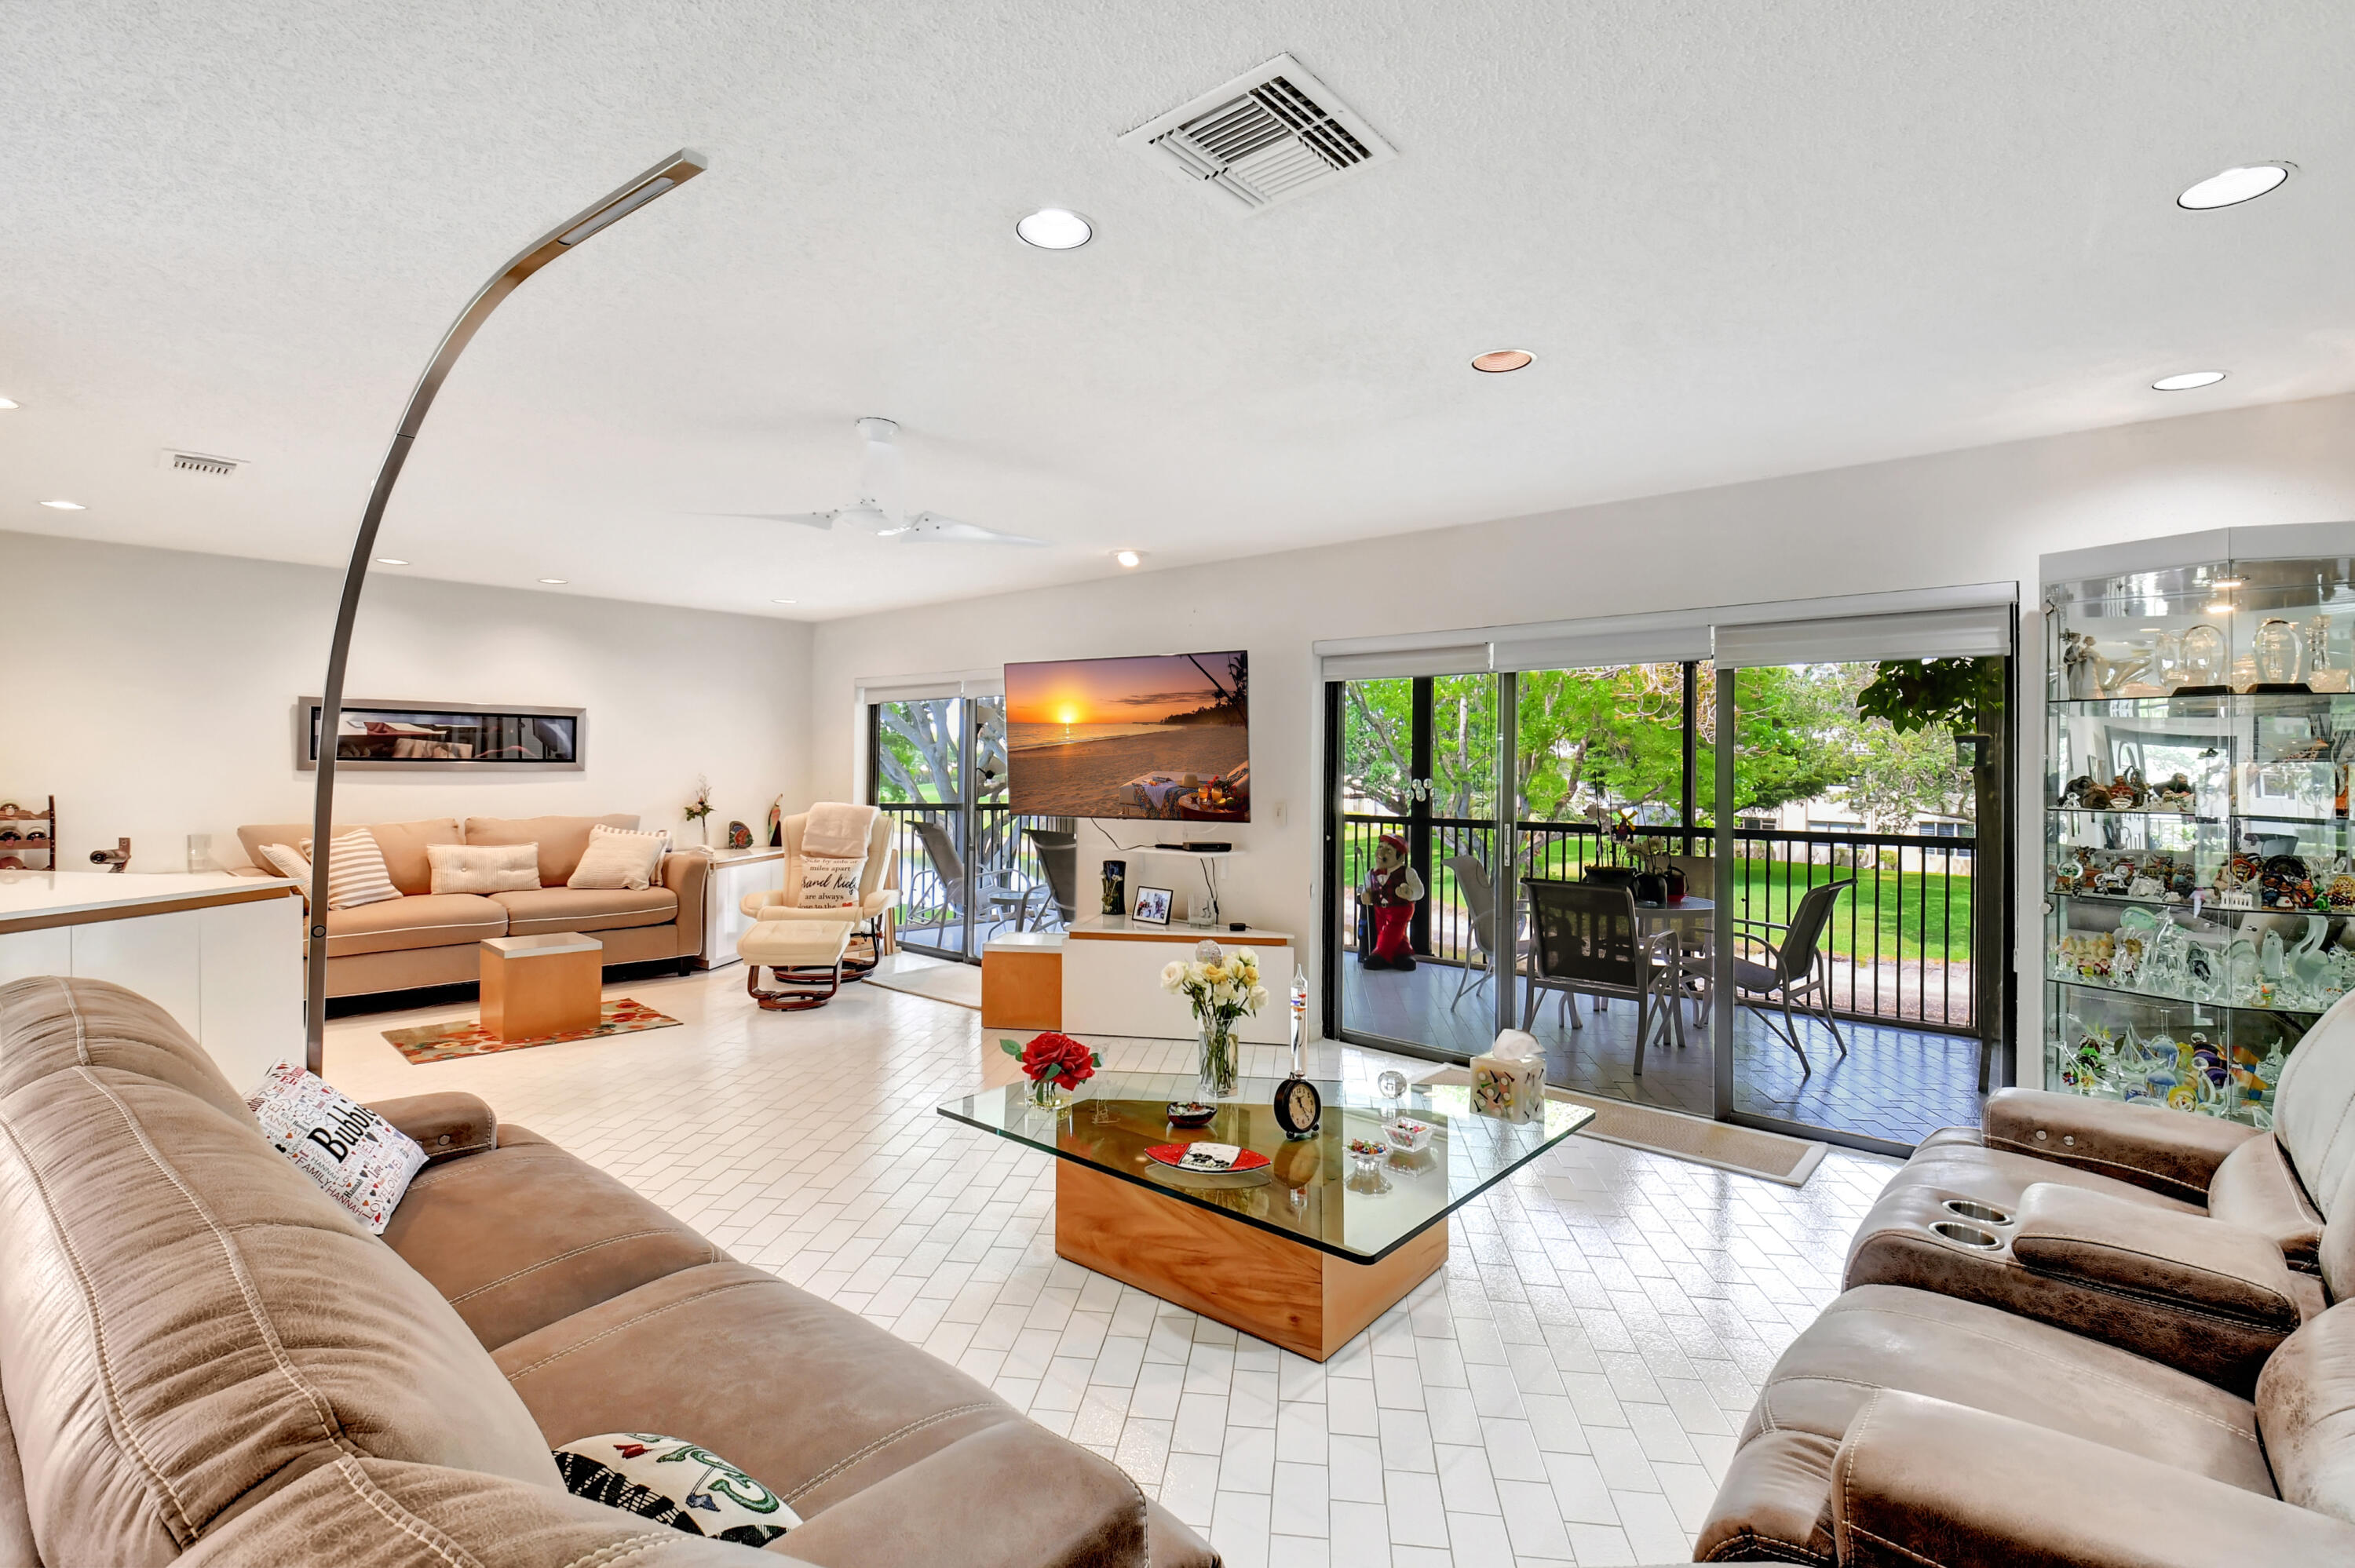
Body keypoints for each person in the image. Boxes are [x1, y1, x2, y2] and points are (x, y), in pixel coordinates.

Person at [1360, 833, 1425, 970]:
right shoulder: (1371, 874)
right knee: (1388, 932)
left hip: (1400, 909)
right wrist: (1366, 896)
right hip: (1380, 909)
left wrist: (1409, 893)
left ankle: (1380, 955)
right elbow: (1367, 890)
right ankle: (1402, 954)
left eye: (1388, 850)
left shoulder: (1407, 872)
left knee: (1390, 931)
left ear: (1400, 857)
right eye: (1380, 847)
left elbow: (1420, 891)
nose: (1381, 852)